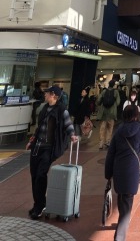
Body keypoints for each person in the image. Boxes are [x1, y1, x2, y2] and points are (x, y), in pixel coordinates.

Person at [26, 85, 78, 219]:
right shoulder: (44, 108)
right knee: (34, 175)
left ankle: (40, 206)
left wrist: (72, 135)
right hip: (37, 147)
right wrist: (32, 141)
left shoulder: (61, 110)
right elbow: (39, 128)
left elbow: (68, 124)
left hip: (49, 148)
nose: (45, 94)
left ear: (53, 95)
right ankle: (38, 203)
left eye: (47, 93)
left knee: (40, 175)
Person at [105, 104, 140, 241]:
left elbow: (110, 154)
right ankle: (119, 236)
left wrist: (108, 174)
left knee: (122, 198)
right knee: (126, 202)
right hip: (132, 170)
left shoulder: (118, 130)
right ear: (137, 116)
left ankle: (122, 222)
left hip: (118, 169)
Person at [97, 81, 120, 150]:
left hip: (104, 113)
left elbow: (98, 100)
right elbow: (118, 102)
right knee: (110, 129)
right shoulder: (116, 92)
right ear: (113, 85)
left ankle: (101, 143)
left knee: (102, 129)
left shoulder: (104, 91)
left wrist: (99, 104)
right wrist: (114, 105)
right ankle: (108, 142)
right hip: (112, 113)